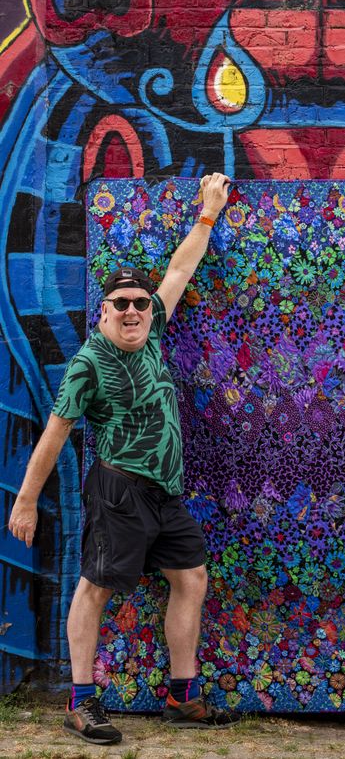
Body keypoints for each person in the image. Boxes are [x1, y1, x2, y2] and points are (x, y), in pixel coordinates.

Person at [9, 173, 236, 746]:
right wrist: (27, 501)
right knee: (95, 587)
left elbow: (180, 269)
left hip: (164, 492)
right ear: (103, 312)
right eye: (121, 305)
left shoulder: (155, 326)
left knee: (191, 577)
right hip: (118, 490)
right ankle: (81, 703)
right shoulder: (89, 363)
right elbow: (56, 434)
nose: (134, 312)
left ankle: (181, 697)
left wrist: (209, 213)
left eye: (139, 302)